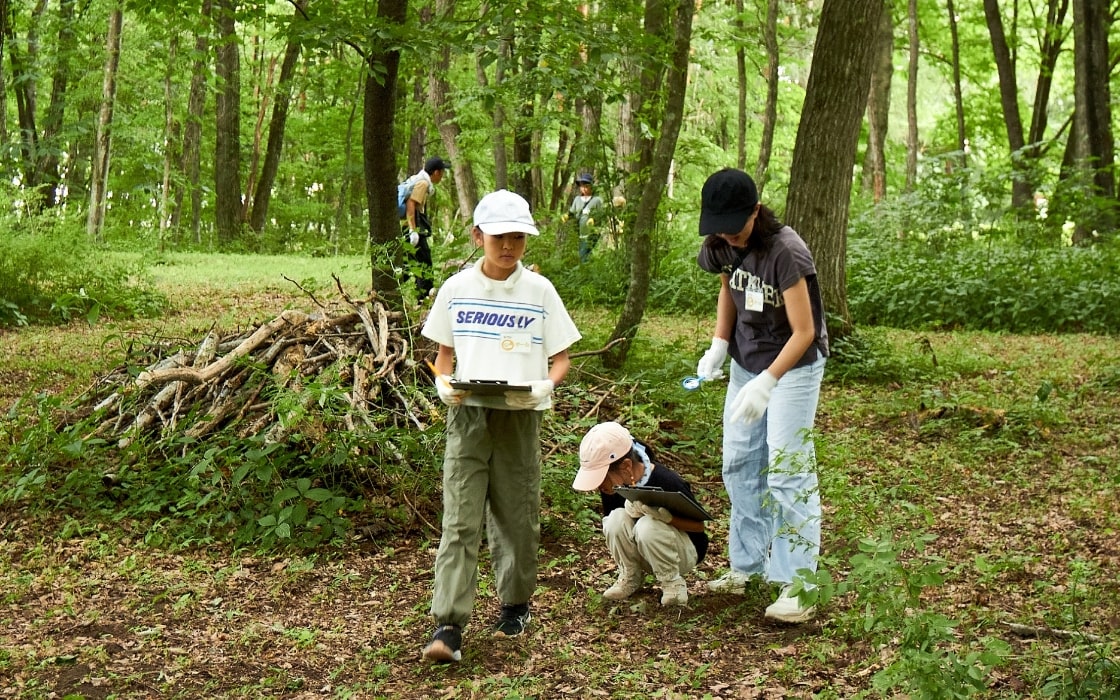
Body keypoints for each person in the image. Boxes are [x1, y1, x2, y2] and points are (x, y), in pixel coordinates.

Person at [420, 189, 582, 663]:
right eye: (498, 237)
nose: (508, 246)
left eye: (517, 237)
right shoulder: (455, 289)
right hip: (468, 415)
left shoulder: (540, 291)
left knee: (516, 512)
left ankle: (515, 603)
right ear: (478, 236)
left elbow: (561, 358)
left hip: (520, 413)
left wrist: (545, 387)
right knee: (460, 517)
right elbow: (442, 357)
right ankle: (448, 624)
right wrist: (443, 386)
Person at [693, 168, 829, 624]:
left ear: (756, 210)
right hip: (745, 362)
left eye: (736, 225)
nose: (728, 235)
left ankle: (799, 584)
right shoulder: (722, 243)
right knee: (739, 461)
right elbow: (730, 289)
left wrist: (768, 381)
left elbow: (805, 331)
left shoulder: (786, 251)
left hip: (793, 365)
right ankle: (747, 565)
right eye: (720, 227)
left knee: (788, 469)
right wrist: (718, 343)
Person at [572, 422, 709, 606]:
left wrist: (668, 519)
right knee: (614, 519)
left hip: (682, 552)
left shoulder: (666, 481)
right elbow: (619, 527)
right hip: (644, 550)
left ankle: (672, 584)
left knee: (648, 526)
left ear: (626, 465)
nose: (600, 486)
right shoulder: (612, 488)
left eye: (602, 477)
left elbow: (698, 527)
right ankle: (630, 575)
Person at [401, 156, 450, 296]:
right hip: (413, 227)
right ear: (436, 172)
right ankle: (424, 298)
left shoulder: (419, 180)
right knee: (424, 263)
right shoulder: (423, 183)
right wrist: (413, 230)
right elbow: (411, 204)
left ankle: (390, 291)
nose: (442, 176)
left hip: (410, 226)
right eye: (442, 172)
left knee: (409, 262)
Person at [565, 173, 605, 262]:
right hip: (580, 233)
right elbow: (572, 212)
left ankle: (585, 270)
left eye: (586, 186)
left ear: (591, 187)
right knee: (584, 254)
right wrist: (567, 216)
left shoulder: (597, 200)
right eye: (582, 186)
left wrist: (594, 219)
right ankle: (588, 270)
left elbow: (601, 214)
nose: (584, 188)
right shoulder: (577, 199)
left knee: (583, 254)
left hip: (593, 233)